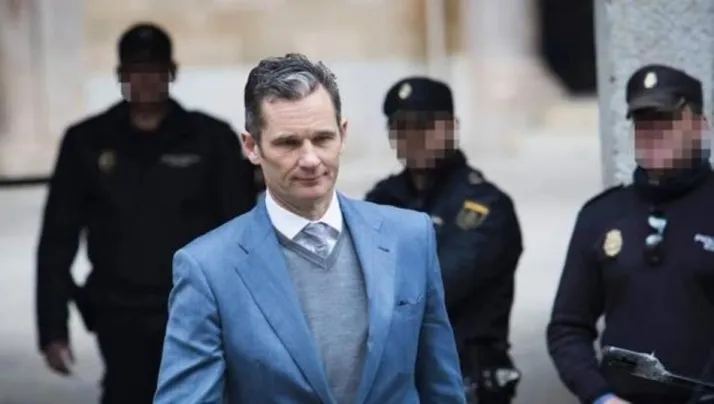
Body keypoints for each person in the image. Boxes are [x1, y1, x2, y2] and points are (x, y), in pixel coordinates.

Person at [153, 53, 466, 404]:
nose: (310, 159)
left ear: (342, 135)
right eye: (288, 142)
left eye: (322, 138)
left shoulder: (410, 237)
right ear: (252, 147)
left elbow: (441, 386)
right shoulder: (208, 268)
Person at [36, 22, 260, 404]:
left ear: (172, 72)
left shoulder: (210, 139)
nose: (145, 80)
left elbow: (242, 234)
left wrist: (250, 318)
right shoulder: (86, 142)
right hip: (119, 314)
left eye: (155, 69)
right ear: (120, 75)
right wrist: (53, 328)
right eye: (136, 70)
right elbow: (57, 239)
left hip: (196, 310)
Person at [547, 64, 714, 404]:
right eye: (643, 122)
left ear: (700, 126)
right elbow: (567, 328)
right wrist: (600, 396)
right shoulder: (602, 215)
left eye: (666, 121)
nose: (653, 133)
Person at [364, 77, 523, 403]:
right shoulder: (381, 200)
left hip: (465, 382)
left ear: (452, 127)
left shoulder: (486, 207)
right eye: (402, 128)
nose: (414, 138)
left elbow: (438, 287)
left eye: (425, 126)